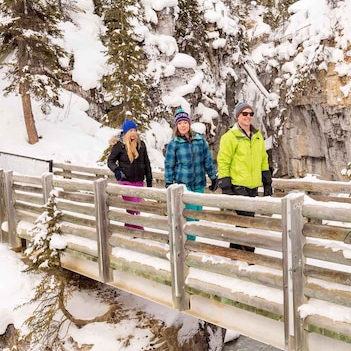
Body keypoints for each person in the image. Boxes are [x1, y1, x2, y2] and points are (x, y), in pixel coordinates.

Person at [216, 102, 272, 252]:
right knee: (248, 220)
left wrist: (267, 181)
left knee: (243, 221)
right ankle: (249, 256)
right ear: (237, 116)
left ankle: (234, 251)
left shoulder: (257, 136)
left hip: (253, 185)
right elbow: (223, 160)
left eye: (251, 114)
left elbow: (263, 158)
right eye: (244, 114)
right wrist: (225, 184)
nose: (248, 117)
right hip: (238, 185)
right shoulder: (230, 137)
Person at [164, 108, 218, 241]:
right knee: (189, 216)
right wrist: (169, 183)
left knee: (196, 215)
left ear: (189, 124)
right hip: (183, 186)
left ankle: (187, 243)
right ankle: (188, 245)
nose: (183, 125)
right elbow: (169, 165)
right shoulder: (174, 144)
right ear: (177, 126)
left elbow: (207, 161)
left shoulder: (200, 141)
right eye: (180, 123)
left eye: (185, 122)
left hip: (199, 184)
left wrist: (213, 177)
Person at [107, 118, 153, 230]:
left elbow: (147, 163)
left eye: (134, 130)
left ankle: (130, 230)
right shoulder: (120, 145)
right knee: (133, 207)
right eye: (130, 130)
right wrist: (117, 170)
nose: (133, 133)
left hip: (138, 181)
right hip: (126, 181)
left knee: (136, 208)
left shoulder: (141, 145)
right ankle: (138, 229)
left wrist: (149, 180)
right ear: (126, 132)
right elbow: (110, 161)